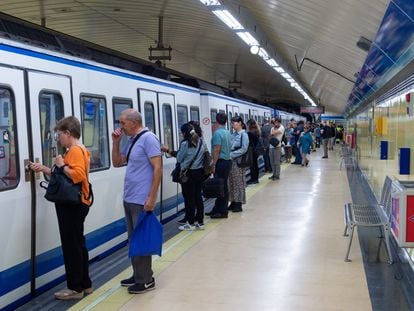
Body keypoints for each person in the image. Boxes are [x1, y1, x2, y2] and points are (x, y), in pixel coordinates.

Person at [30, 116, 93, 300]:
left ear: (68, 133)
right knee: (78, 244)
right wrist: (44, 169)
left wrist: (62, 164)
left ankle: (75, 288)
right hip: (78, 202)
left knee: (71, 246)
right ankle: (85, 284)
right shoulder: (79, 149)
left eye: (59, 135)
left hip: (71, 205)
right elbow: (65, 176)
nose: (57, 138)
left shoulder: (74, 150)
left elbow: (77, 175)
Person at [111, 108, 162, 294]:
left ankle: (146, 279)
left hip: (142, 199)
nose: (120, 127)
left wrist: (151, 197)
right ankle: (137, 274)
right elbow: (117, 162)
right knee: (133, 240)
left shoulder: (149, 139)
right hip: (130, 197)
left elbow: (158, 168)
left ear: (134, 122)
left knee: (141, 239)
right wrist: (116, 143)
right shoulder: (132, 140)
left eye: (123, 123)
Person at [163, 123, 205, 230]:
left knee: (189, 198)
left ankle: (190, 223)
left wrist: (169, 150)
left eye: (181, 132)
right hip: (199, 173)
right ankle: (200, 222)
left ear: (185, 133)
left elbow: (180, 158)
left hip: (188, 174)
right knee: (198, 197)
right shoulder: (200, 141)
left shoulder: (185, 144)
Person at [205, 112, 232, 219]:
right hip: (227, 162)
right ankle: (217, 208)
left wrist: (213, 164)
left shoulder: (217, 133)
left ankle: (222, 211)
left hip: (220, 162)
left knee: (221, 187)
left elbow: (216, 149)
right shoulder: (227, 132)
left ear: (216, 121)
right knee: (223, 186)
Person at [228, 116, 249, 212]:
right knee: (231, 182)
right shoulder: (233, 135)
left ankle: (239, 203)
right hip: (231, 162)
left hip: (238, 162)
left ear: (240, 123)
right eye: (232, 123)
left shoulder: (244, 135)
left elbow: (244, 149)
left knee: (239, 182)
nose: (233, 125)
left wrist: (231, 155)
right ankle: (233, 201)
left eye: (234, 123)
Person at [247, 119, 260, 184]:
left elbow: (249, 142)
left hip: (252, 151)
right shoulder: (257, 130)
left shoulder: (250, 133)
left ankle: (254, 179)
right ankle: (255, 178)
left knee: (252, 166)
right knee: (255, 165)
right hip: (256, 150)